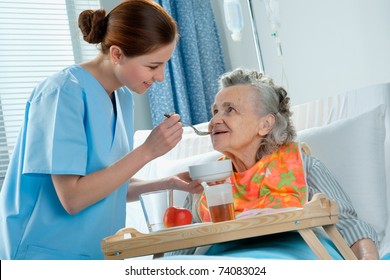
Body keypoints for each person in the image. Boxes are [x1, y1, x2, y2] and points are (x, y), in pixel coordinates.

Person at [0, 0, 202, 260]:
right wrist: (147, 151)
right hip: (42, 253)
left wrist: (167, 183)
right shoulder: (63, 92)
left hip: (95, 253)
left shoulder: (123, 98)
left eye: (164, 65)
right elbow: (73, 198)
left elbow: (110, 184)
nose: (161, 76)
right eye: (153, 66)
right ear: (117, 54)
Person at [183, 68, 379, 260]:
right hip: (222, 262)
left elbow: (349, 226)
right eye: (215, 111)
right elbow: (179, 247)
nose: (214, 120)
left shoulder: (302, 166)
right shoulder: (205, 181)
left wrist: (369, 264)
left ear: (265, 125)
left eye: (230, 110)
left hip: (292, 254)